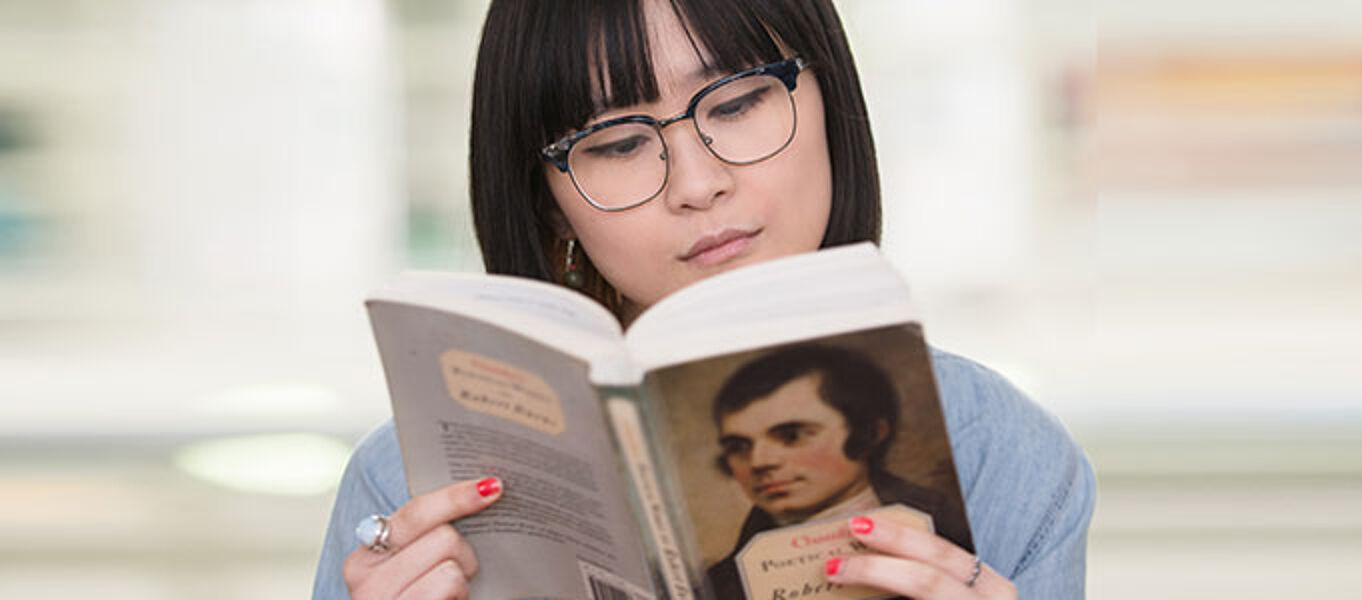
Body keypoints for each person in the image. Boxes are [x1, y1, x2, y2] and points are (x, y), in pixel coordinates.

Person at [313, 1, 1095, 599]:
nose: (698, 183)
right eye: (617, 143)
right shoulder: (409, 482)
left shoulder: (1001, 452)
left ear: (829, 97)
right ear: (551, 204)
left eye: (736, 101)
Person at [704, 344, 974, 599]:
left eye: (791, 435)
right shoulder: (716, 584)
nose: (759, 461)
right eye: (739, 446)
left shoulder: (952, 529)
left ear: (868, 434)